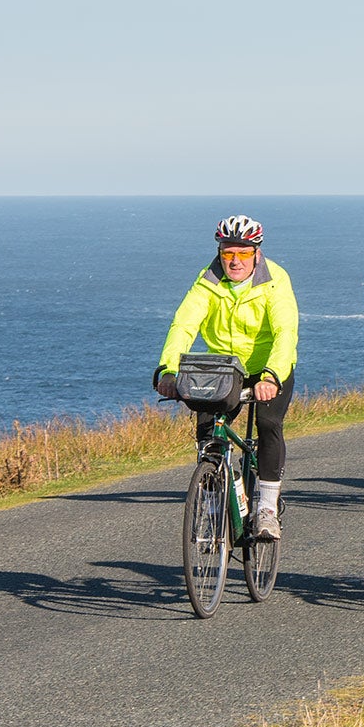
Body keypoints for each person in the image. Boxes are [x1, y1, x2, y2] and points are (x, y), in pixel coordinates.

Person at [152, 214, 300, 540]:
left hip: (267, 369)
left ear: (256, 254)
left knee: (269, 424)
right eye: (228, 252)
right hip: (223, 368)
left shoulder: (275, 280)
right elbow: (184, 324)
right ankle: (217, 502)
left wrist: (272, 376)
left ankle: (267, 509)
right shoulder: (208, 280)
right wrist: (168, 369)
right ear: (219, 252)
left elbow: (285, 332)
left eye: (243, 253)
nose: (234, 261)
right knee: (210, 436)